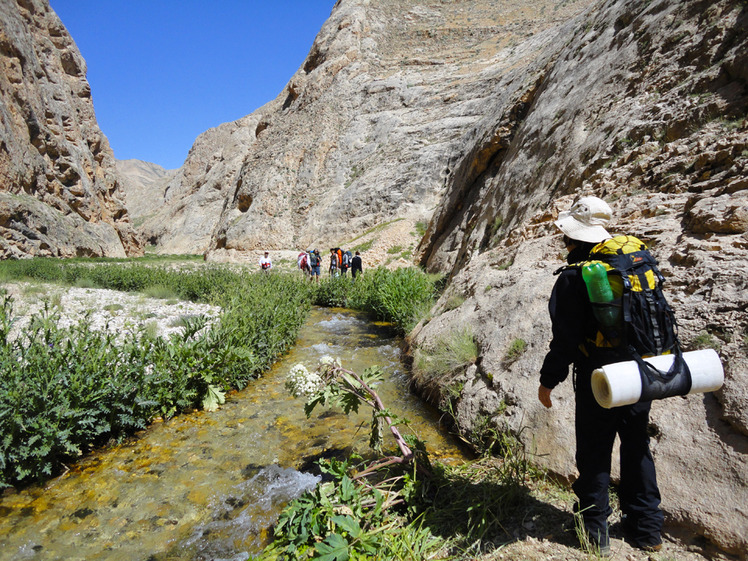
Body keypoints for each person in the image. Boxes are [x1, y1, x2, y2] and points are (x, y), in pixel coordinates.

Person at [538, 196, 663, 556]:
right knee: (637, 445)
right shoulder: (632, 264)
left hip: (599, 375)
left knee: (594, 451)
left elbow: (565, 340)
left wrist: (549, 381)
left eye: (565, 235)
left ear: (572, 238)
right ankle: (648, 530)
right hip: (641, 370)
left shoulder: (577, 277)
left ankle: (594, 533)